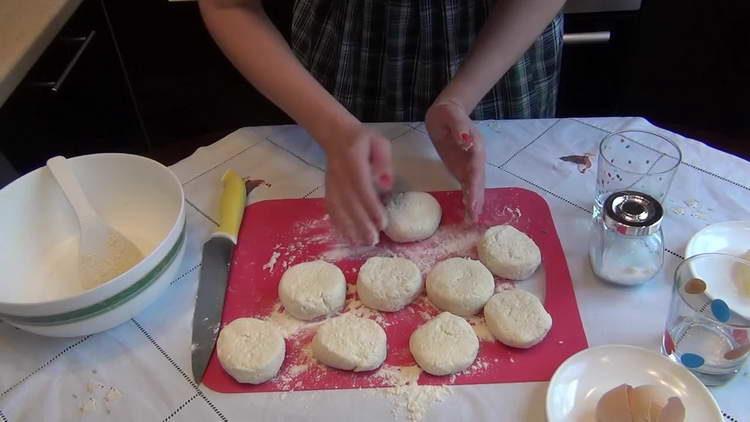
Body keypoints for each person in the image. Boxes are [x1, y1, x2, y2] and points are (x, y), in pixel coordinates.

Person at [199, 0, 565, 245]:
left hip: (497, 50)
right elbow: (228, 4)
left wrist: (461, 97)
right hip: (346, 55)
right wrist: (333, 129)